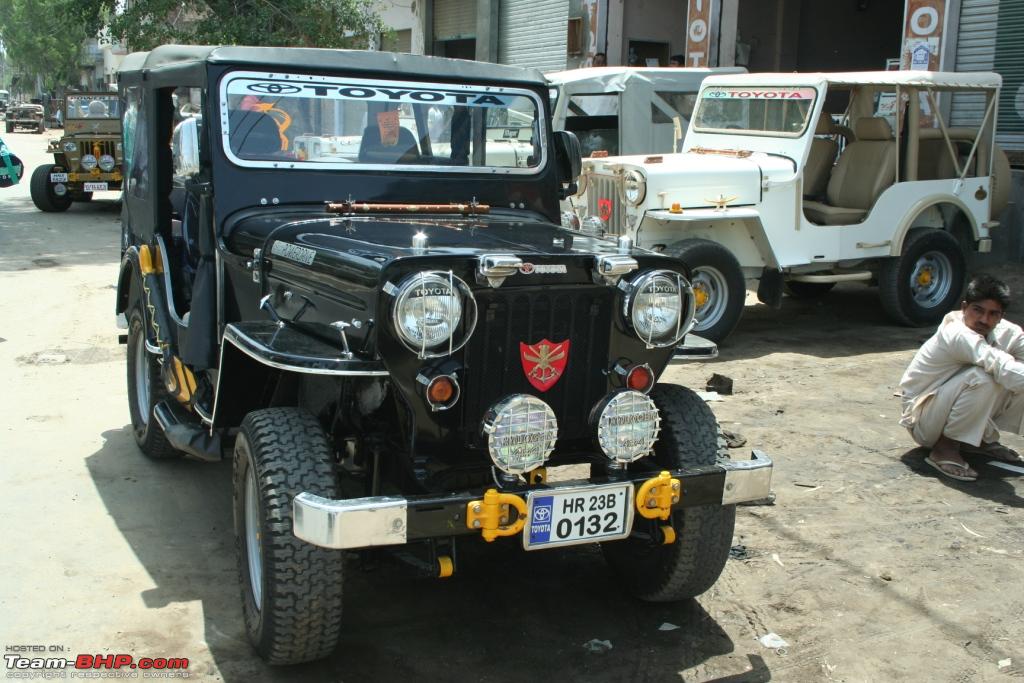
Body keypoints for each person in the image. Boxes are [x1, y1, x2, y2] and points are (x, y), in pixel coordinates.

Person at [899, 274, 1024, 481]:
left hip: (948, 406)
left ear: (1001, 316)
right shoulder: (956, 333)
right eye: (978, 310)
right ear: (964, 307)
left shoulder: (1008, 332)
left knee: (1013, 373)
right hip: (923, 419)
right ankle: (944, 448)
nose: (984, 320)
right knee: (986, 376)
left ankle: (975, 440)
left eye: (993, 314)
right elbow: (999, 365)